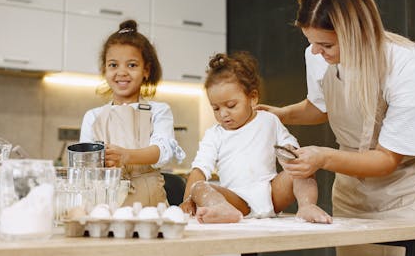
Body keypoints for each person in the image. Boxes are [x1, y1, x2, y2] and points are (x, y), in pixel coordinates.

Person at [257, 0, 415, 255]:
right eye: (311, 42)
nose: (315, 51)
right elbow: (321, 105)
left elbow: (387, 159)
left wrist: (322, 157)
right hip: (353, 190)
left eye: (326, 45)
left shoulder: (408, 67)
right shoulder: (318, 55)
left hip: (410, 191)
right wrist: (280, 114)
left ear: (358, 32)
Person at [180, 51, 332, 224]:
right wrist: (187, 200)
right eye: (216, 108)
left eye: (231, 105)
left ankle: (307, 206)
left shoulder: (269, 120)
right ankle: (223, 210)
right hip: (237, 201)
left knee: (302, 165)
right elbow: (199, 169)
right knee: (199, 187)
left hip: (272, 194)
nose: (223, 114)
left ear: (252, 98)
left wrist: (291, 152)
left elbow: (290, 146)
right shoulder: (214, 134)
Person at [80, 19, 185, 207]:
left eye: (132, 65)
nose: (122, 72)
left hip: (152, 207)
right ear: (105, 69)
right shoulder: (93, 117)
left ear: (146, 70)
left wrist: (126, 156)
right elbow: (85, 167)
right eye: (113, 65)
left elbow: (163, 152)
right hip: (105, 205)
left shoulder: (159, 111)